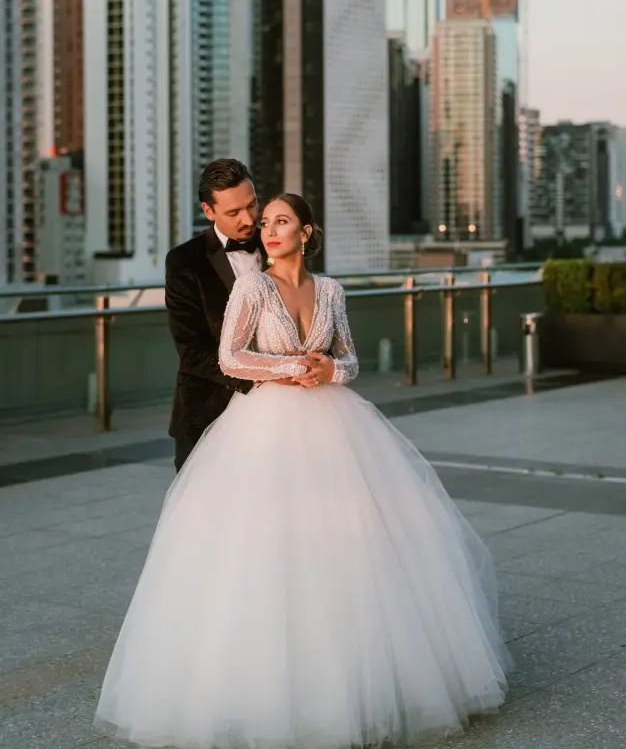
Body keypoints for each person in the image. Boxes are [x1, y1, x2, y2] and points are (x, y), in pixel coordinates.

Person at [95, 194, 511, 749]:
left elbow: (353, 359)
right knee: (265, 550)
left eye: (280, 221)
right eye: (263, 222)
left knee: (352, 550)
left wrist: (330, 368)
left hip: (335, 423)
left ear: (306, 232)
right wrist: (294, 366)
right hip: (264, 423)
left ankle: (356, 675)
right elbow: (229, 356)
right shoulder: (252, 287)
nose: (267, 229)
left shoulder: (332, 290)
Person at [164, 159, 331, 472]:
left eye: (252, 204)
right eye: (233, 212)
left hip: (286, 416)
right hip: (208, 411)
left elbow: (310, 312)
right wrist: (266, 374)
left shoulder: (280, 239)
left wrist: (321, 365)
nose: (249, 218)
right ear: (208, 211)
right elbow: (192, 352)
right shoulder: (183, 261)